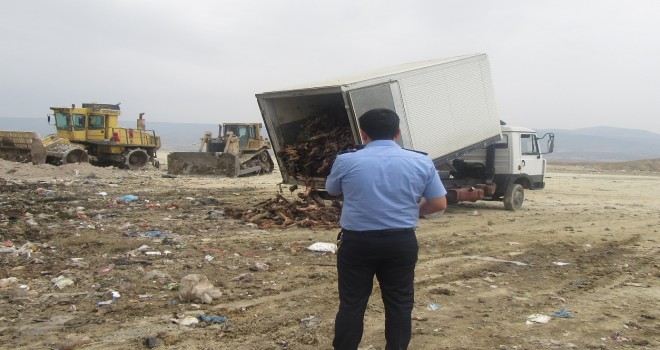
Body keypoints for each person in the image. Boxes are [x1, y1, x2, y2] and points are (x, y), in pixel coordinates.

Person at [326, 108, 447, 350]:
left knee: (352, 304)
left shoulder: (346, 160)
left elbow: (332, 190)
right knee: (400, 304)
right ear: (398, 133)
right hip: (400, 242)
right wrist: (411, 213)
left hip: (357, 243)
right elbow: (438, 203)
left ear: (363, 133)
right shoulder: (421, 161)